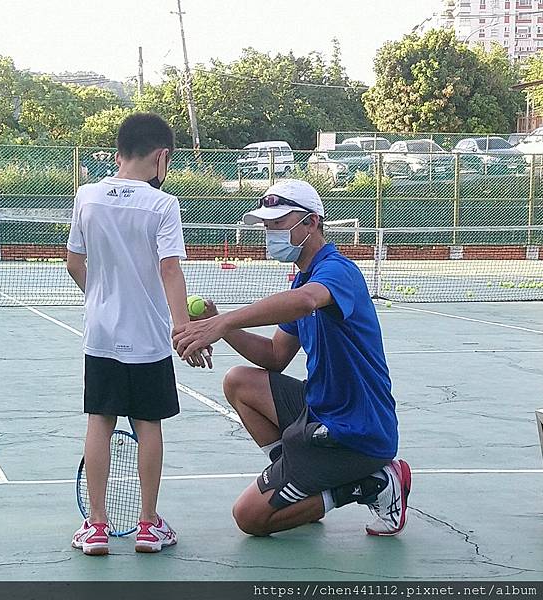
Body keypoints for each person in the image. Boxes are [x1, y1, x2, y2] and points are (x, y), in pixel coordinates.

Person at [172, 179, 410, 537]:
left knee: (249, 517)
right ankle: (297, 483)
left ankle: (373, 483)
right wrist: (218, 325)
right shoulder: (302, 281)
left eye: (279, 224)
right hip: (321, 410)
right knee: (239, 381)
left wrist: (223, 323)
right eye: (267, 226)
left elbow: (308, 302)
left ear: (311, 223)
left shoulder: (336, 272)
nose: (271, 234)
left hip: (358, 432)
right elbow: (274, 355)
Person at [67, 112, 210, 556]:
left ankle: (95, 528)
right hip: (148, 338)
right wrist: (183, 328)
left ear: (118, 153)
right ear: (162, 156)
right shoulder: (163, 206)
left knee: (99, 421)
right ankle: (149, 526)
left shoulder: (86, 196)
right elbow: (169, 268)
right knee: (149, 425)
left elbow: (74, 262)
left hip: (101, 336)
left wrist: (100, 300)